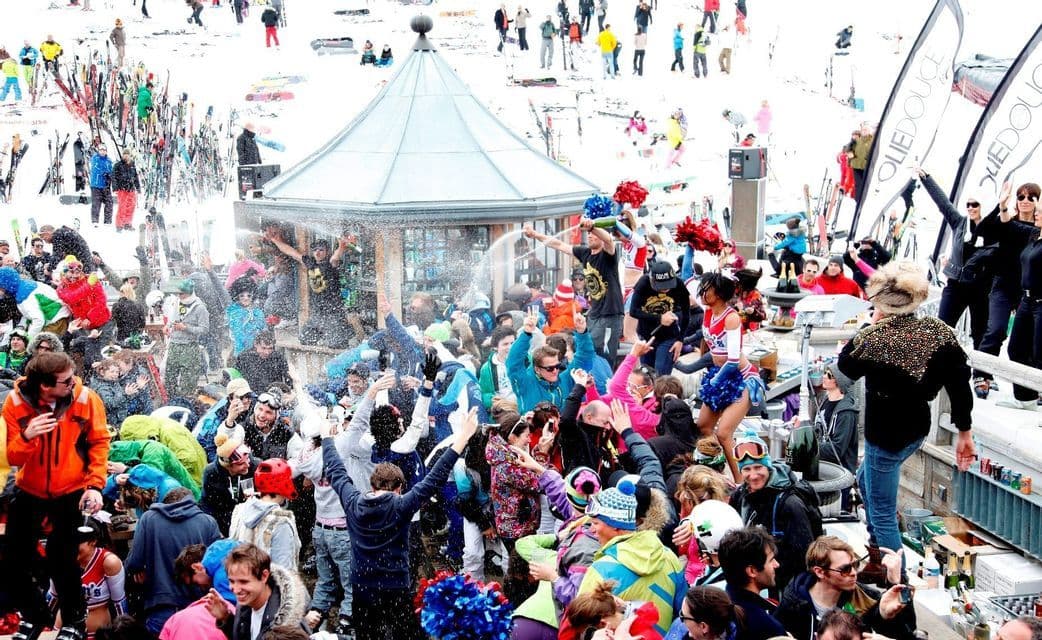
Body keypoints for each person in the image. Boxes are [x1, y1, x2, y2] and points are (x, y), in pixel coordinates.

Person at [838, 261, 976, 577]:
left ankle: (894, 579)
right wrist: (964, 432)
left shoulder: (873, 338)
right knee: (866, 480)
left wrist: (868, 325)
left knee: (883, 511)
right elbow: (959, 384)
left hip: (885, 433)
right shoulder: (939, 332)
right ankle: (878, 555)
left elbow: (844, 369)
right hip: (916, 426)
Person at [321, 403, 479, 640]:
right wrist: (463, 437)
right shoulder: (402, 505)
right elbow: (435, 477)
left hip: (363, 587)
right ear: (399, 487)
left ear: (372, 484)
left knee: (368, 636)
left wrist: (326, 439)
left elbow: (336, 471)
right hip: (395, 586)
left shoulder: (353, 503)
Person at [3, 352, 110, 640]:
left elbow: (100, 443)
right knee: (12, 560)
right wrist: (27, 437)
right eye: (66, 381)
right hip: (29, 489)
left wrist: (95, 485)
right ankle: (35, 616)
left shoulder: (86, 399)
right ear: (44, 385)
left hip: (70, 490)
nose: (73, 383)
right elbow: (11, 456)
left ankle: (74, 621)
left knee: (62, 559)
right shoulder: (14, 402)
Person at [578, 476, 686, 637]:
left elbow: (578, 626)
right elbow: (684, 616)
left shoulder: (600, 570)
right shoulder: (669, 557)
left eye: (596, 523)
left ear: (615, 526)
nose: (591, 530)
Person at [728, 430, 821, 593]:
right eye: (747, 469)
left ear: (768, 467)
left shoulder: (790, 504)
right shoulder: (740, 496)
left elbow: (805, 557)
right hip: (753, 579)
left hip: (782, 584)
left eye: (758, 467)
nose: (753, 475)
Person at [775, 536, 915, 640]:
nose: (854, 573)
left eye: (855, 565)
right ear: (820, 572)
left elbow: (908, 634)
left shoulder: (865, 598)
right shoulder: (793, 606)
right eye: (845, 569)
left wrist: (895, 584)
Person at [977, 182, 1040, 408]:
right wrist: (1001, 205)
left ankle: (1030, 391)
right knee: (996, 331)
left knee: (1031, 346)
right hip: (1005, 286)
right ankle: (982, 374)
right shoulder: (1013, 224)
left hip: (1030, 293)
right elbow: (983, 230)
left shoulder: (1037, 230)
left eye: (1031, 197)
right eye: (1021, 197)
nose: (1025, 201)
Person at [695, 273, 764, 479]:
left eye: (706, 289)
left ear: (718, 293)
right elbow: (688, 279)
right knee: (704, 426)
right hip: (719, 375)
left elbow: (733, 360)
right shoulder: (708, 313)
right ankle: (719, 472)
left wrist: (715, 381)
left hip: (741, 378)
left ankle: (742, 480)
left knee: (724, 433)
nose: (702, 293)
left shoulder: (731, 318)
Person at [126, 487, 221, 634]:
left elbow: (134, 563)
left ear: (165, 503)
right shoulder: (208, 522)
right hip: (197, 608)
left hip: (160, 606)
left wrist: (140, 571)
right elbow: (216, 568)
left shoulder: (148, 519)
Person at [203, 543, 310, 640]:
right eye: (231, 581)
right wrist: (226, 618)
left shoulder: (290, 625)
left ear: (264, 576)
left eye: (243, 582)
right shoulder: (245, 606)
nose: (236, 589)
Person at [264, 234, 350, 348]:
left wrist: (341, 246)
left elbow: (335, 257)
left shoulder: (330, 264)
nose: (317, 253)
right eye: (315, 250)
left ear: (327, 252)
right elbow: (291, 252)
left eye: (321, 250)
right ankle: (325, 334)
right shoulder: (311, 263)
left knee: (337, 344)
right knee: (305, 339)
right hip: (318, 313)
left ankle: (341, 332)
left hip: (333, 312)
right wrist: (275, 240)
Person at [47, 520, 127, 639]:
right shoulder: (61, 560)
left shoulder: (109, 562)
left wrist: (124, 633)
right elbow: (52, 596)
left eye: (77, 543)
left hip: (96, 634)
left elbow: (119, 602)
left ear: (93, 541)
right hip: (63, 632)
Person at [506, 308, 594, 413]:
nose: (555, 371)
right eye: (550, 368)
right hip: (534, 423)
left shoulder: (564, 380)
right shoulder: (525, 383)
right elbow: (513, 363)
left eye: (557, 366)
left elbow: (584, 360)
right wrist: (526, 333)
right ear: (537, 369)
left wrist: (582, 332)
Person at [229, 459, 300, 571]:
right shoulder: (281, 523)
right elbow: (283, 571)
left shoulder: (240, 510)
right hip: (265, 581)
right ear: (284, 483)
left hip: (242, 577)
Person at [718, 527, 786, 640]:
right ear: (752, 571)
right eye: (771, 560)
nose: (777, 564)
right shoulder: (767, 627)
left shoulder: (718, 606)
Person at [629, 262, 690, 374]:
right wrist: (659, 318)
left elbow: (686, 313)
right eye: (661, 286)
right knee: (646, 374)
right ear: (652, 280)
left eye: (668, 285)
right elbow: (633, 311)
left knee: (661, 375)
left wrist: (680, 340)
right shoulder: (643, 283)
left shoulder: (679, 284)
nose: (665, 289)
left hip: (669, 336)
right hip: (646, 335)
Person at [200, 437, 260, 535]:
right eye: (241, 464)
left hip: (251, 523)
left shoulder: (256, 467)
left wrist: (257, 497)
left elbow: (269, 498)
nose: (247, 465)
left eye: (247, 459)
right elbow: (207, 505)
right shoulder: (211, 473)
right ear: (228, 465)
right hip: (224, 526)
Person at [165, 279, 210, 398]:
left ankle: (186, 401)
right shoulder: (176, 303)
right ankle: (172, 399)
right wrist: (167, 326)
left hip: (189, 346)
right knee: (169, 376)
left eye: (182, 294)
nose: (179, 296)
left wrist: (186, 328)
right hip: (174, 344)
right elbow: (172, 320)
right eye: (178, 293)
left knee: (188, 381)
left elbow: (204, 329)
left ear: (189, 293)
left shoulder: (200, 307)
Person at [479, 325, 517, 409]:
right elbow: (483, 393)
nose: (510, 347)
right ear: (496, 347)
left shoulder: (526, 360)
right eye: (505, 344)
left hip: (524, 409)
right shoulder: (486, 369)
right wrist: (491, 400)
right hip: (502, 411)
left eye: (512, 343)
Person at [111, 150, 140, 232]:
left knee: (131, 207)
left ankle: (127, 223)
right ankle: (119, 225)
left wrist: (138, 187)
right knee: (122, 207)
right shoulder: (118, 165)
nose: (126, 156)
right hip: (122, 188)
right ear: (122, 155)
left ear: (130, 155)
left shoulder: (132, 165)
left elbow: (135, 177)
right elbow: (113, 176)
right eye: (124, 154)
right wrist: (115, 187)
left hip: (131, 189)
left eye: (127, 154)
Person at [89, 145, 114, 225]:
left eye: (104, 150)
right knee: (96, 203)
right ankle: (95, 221)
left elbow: (111, 170)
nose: (102, 152)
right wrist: (105, 173)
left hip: (106, 185)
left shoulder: (109, 161)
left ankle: (108, 221)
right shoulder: (95, 159)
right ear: (98, 151)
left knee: (109, 203)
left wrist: (110, 176)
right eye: (101, 150)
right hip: (96, 185)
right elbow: (96, 169)